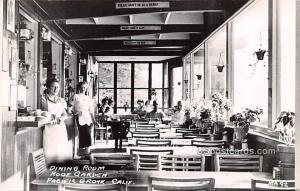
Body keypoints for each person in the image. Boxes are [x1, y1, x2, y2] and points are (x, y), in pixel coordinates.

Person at [41, 78, 72, 164]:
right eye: (53, 87)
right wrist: (50, 116)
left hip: (60, 128)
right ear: (47, 87)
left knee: (60, 150)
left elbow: (65, 114)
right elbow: (42, 113)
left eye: (57, 87)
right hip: (49, 128)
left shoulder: (61, 100)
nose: (56, 89)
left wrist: (61, 118)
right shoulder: (43, 99)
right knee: (50, 150)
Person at [72, 82, 98, 153]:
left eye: (85, 87)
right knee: (83, 134)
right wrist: (75, 112)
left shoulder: (88, 98)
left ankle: (87, 152)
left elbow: (91, 110)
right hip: (80, 117)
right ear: (79, 87)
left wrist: (94, 120)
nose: (83, 89)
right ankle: (83, 152)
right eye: (82, 87)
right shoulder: (75, 96)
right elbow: (71, 108)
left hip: (88, 118)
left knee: (88, 134)